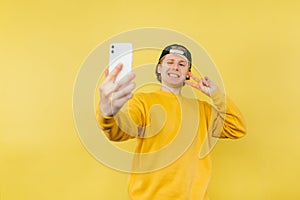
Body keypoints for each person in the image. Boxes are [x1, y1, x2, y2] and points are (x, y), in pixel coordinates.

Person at [96, 44, 246, 200]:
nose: (175, 67)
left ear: (187, 73)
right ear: (159, 68)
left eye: (181, 64)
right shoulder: (142, 102)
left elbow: (237, 127)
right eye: (170, 62)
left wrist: (215, 94)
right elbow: (119, 131)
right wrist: (107, 112)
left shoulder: (203, 109)